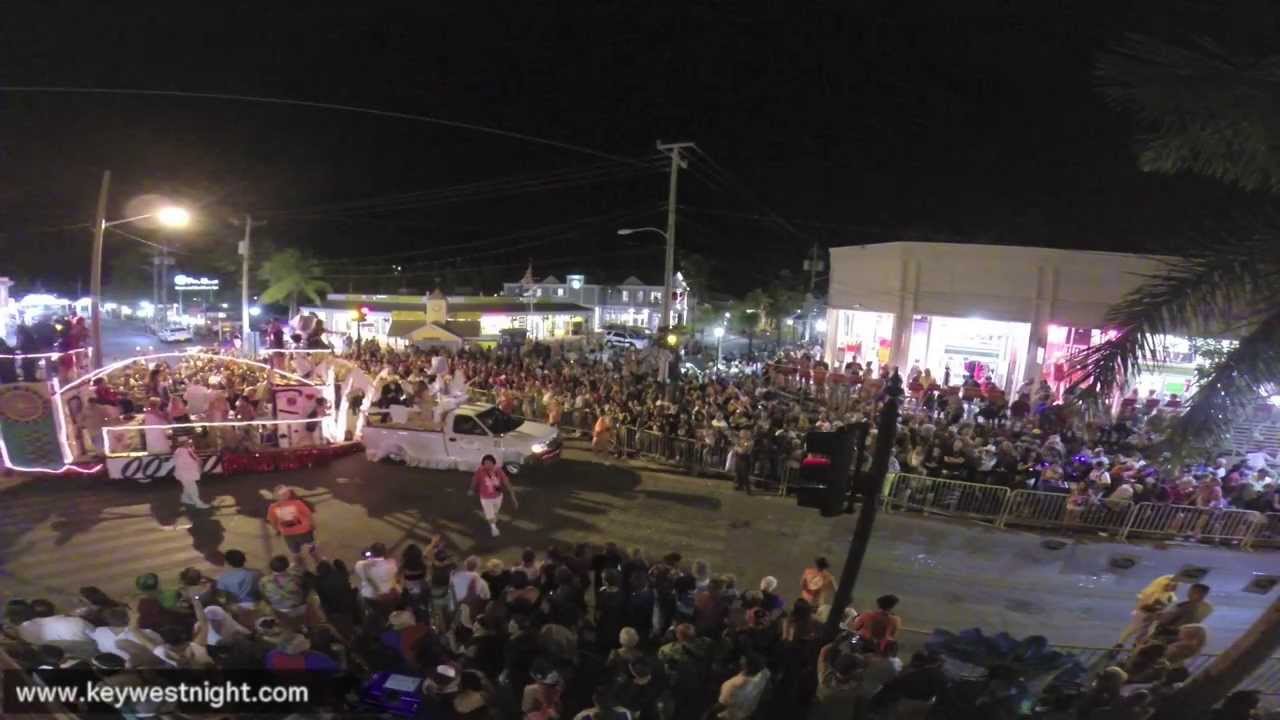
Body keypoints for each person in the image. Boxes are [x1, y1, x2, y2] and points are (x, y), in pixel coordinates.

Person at [1115, 575, 1177, 649]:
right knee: (1134, 628)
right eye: (1173, 586)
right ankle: (1120, 643)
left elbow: (1166, 606)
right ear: (1165, 585)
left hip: (1154, 616)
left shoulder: (1170, 596)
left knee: (1145, 632)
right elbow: (1143, 603)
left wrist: (1160, 611)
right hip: (1143, 613)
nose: (1175, 588)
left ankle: (1136, 645)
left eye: (1175, 586)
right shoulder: (1152, 593)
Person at [1148, 583, 1213, 646]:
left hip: (1166, 635)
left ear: (1196, 593)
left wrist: (1158, 616)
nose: (1188, 593)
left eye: (1191, 591)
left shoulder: (1185, 606)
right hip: (1182, 637)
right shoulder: (1207, 607)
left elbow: (1165, 621)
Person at [470, 454, 517, 537]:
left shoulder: (499, 471)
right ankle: (493, 528)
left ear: (494, 463)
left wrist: (513, 497)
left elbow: (507, 483)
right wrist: (472, 489)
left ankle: (492, 519)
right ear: (482, 464)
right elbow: (474, 481)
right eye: (485, 463)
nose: (487, 465)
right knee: (490, 514)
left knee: (495, 512)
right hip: (485, 498)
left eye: (489, 463)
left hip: (498, 497)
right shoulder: (480, 471)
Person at [266, 485, 317, 560]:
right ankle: (312, 549)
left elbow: (272, 521)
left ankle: (297, 556)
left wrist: (276, 529)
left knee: (293, 546)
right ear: (289, 494)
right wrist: (312, 524)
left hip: (287, 533)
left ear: (275, 496)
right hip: (304, 530)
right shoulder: (297, 503)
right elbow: (308, 514)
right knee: (309, 540)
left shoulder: (272, 507)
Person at [714, 652, 770, 720]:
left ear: (744, 665)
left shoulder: (732, 684)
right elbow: (765, 671)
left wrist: (707, 715)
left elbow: (720, 706)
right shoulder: (761, 680)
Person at [354, 542, 400, 615]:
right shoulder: (392, 563)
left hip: (370, 596)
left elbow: (362, 566)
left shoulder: (360, 565)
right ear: (385, 553)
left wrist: (367, 560)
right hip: (387, 597)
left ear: (372, 552)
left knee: (360, 596)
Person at [171, 438, 210, 509]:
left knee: (187, 487)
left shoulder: (188, 450)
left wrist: (198, 462)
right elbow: (183, 464)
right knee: (193, 488)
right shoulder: (179, 452)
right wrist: (197, 463)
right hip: (185, 473)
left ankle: (185, 498)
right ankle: (198, 503)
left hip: (189, 473)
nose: (190, 443)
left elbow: (194, 459)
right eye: (188, 442)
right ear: (183, 443)